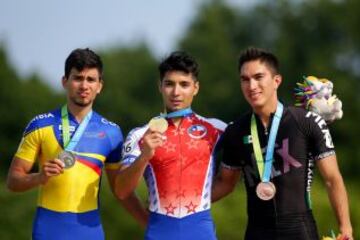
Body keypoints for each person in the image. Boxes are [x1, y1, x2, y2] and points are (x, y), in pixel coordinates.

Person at [212, 47, 353, 240]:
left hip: (300, 230)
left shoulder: (306, 121)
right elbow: (224, 183)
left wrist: (345, 229)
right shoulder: (236, 131)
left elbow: (332, 179)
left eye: (258, 77)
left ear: (276, 81)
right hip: (257, 232)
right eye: (245, 79)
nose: (252, 86)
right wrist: (185, 204)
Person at [6, 48, 147, 239]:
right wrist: (39, 177)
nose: (84, 85)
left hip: (89, 232)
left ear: (100, 86)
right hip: (48, 230)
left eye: (91, 79)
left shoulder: (111, 132)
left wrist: (149, 224)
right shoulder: (40, 124)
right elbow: (13, 181)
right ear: (65, 82)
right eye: (78, 78)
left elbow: (121, 191)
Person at [115, 51, 226, 240]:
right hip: (159, 232)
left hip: (201, 232)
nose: (176, 92)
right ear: (160, 86)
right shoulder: (140, 135)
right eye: (169, 84)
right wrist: (144, 156)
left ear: (196, 87)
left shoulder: (217, 129)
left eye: (184, 84)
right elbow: (121, 190)